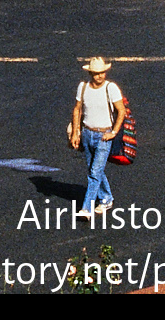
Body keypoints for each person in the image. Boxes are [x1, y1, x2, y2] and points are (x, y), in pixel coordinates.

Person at [69, 57, 126, 219]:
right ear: (90, 73)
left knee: (94, 172)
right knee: (94, 169)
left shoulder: (111, 88)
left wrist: (113, 132)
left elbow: (121, 111)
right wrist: (75, 132)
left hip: (104, 136)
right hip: (87, 133)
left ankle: (86, 208)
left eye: (102, 73)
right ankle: (106, 198)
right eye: (96, 73)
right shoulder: (83, 87)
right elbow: (77, 110)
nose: (100, 76)